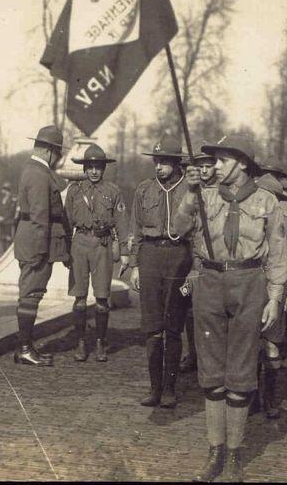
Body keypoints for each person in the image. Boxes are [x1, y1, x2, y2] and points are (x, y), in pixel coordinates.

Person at [170, 135, 287, 481]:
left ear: (243, 164)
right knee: (211, 373)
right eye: (214, 161)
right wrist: (190, 194)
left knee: (240, 371)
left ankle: (234, 454)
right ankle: (214, 451)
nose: (214, 167)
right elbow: (178, 230)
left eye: (222, 161)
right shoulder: (202, 196)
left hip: (250, 283)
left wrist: (276, 298)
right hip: (209, 280)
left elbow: (279, 254)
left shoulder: (268, 201)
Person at [128, 136, 192, 409]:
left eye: (165, 161)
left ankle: (170, 388)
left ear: (177, 163)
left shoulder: (190, 189)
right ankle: (155, 388)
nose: (159, 167)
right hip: (151, 257)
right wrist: (134, 265)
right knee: (152, 328)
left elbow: (198, 232)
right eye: (156, 161)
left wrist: (196, 268)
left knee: (174, 326)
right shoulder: (144, 190)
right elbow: (136, 230)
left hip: (180, 256)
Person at [64, 143, 128, 362]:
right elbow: (66, 222)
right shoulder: (74, 190)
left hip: (102, 243)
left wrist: (125, 250)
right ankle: (81, 341)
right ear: (84, 168)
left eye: (98, 167)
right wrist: (65, 251)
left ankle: (101, 341)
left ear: (104, 168)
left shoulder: (113, 191)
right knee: (79, 297)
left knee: (102, 298)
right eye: (90, 167)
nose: (93, 171)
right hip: (79, 242)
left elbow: (122, 223)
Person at [13, 125, 71, 366]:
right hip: (36, 243)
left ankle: (26, 347)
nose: (58, 158)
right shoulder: (38, 173)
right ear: (50, 151)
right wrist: (39, 250)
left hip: (34, 240)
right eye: (58, 153)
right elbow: (39, 215)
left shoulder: (36, 170)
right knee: (31, 294)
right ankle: (25, 349)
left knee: (32, 294)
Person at [254, 164, 287, 420]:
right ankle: (249, 396)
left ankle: (270, 399)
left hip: (276, 287)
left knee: (272, 346)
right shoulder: (244, 215)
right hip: (249, 286)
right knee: (247, 346)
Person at [179, 151, 217, 375]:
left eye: (209, 165)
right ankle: (193, 354)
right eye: (200, 166)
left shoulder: (222, 194)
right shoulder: (192, 193)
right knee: (190, 310)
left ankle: (209, 359)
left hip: (212, 262)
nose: (204, 170)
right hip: (192, 261)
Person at [0, 182, 18, 252]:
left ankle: (9, 253)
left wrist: (3, 218)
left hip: (8, 221)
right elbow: (0, 209)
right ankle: (4, 253)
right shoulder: (3, 199)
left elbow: (11, 212)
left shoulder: (12, 199)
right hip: (2, 222)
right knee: (2, 238)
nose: (3, 190)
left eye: (4, 189)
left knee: (8, 238)